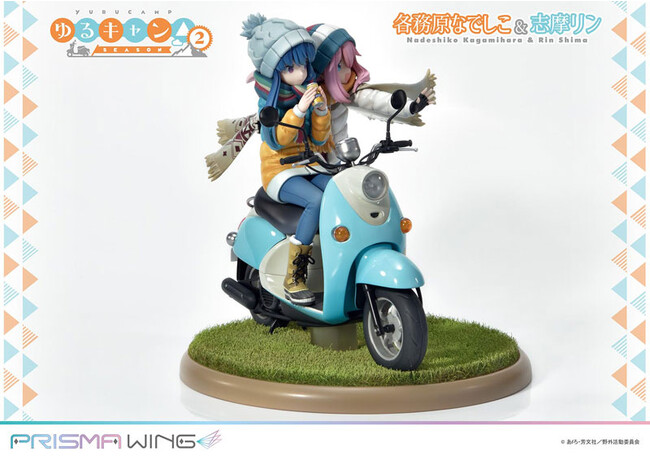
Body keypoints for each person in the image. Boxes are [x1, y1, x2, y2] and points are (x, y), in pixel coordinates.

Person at [242, 14, 333, 306]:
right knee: (316, 201)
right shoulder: (269, 103)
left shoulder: (308, 91)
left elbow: (319, 139)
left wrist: (321, 112)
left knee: (339, 191)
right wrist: (299, 111)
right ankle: (295, 278)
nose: (301, 73)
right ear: (276, 71)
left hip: (309, 163)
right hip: (279, 170)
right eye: (291, 68)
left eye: (304, 64)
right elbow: (277, 140)